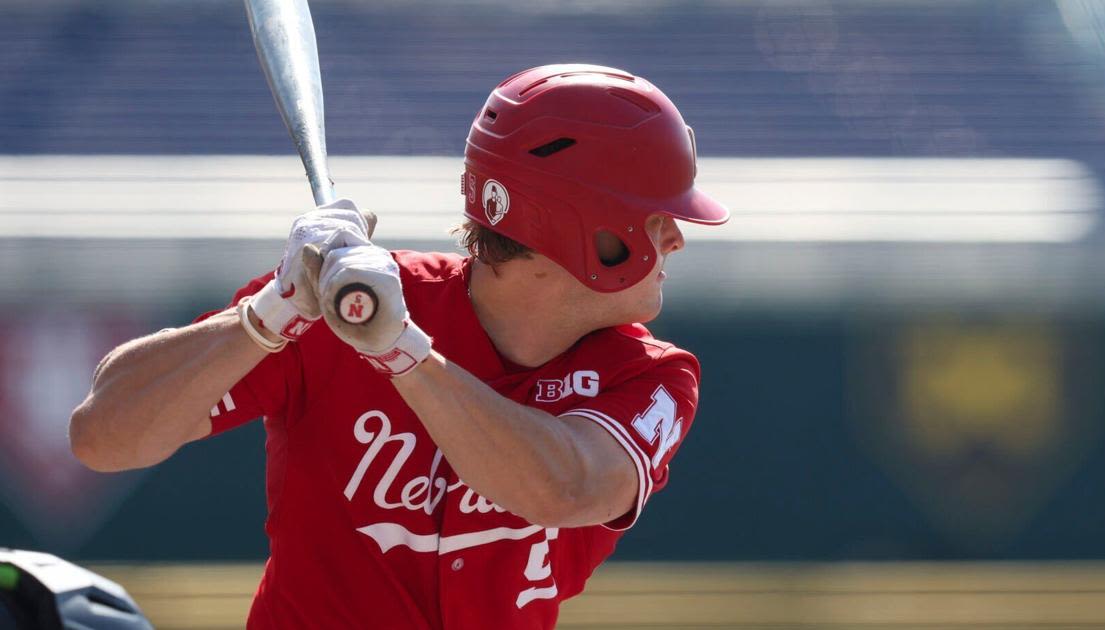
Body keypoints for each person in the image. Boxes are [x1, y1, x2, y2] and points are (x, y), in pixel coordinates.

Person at [69, 64, 729, 629]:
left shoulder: (651, 377)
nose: (676, 238)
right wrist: (273, 309)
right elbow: (103, 437)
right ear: (586, 227)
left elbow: (567, 487)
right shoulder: (328, 309)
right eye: (655, 215)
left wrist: (402, 353)